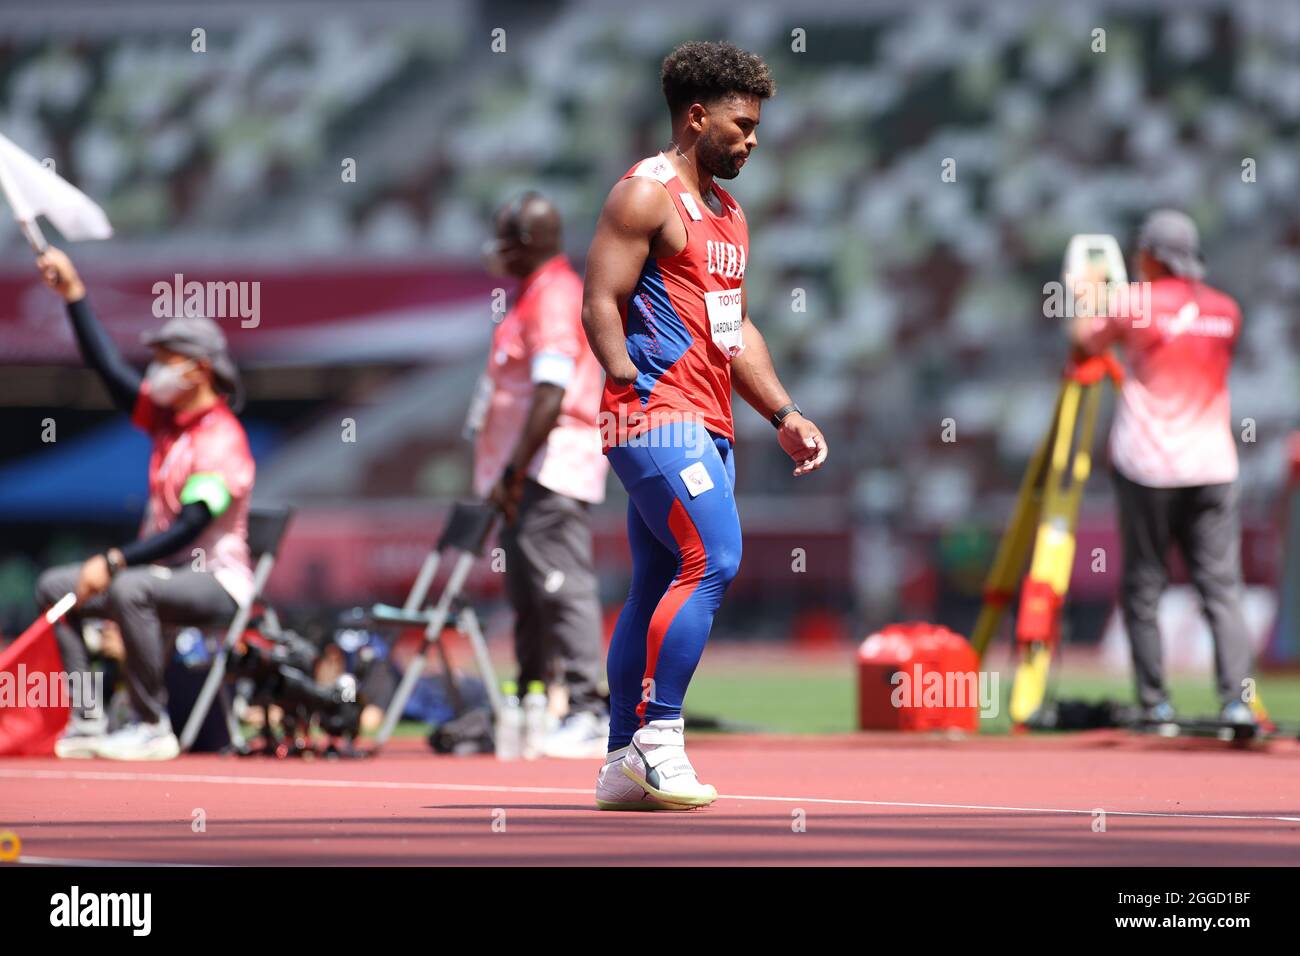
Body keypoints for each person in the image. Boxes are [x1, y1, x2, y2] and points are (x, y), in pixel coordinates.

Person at [581, 41, 827, 810]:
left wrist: (782, 412)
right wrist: (621, 369)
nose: (752, 140)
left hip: (708, 420)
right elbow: (598, 299)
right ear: (696, 116)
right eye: (742, 125)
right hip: (652, 416)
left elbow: (735, 331)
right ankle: (660, 740)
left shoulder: (728, 215)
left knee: (658, 578)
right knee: (716, 557)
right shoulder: (645, 196)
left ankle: (621, 761)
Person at [33, 247, 255, 760]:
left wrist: (113, 560)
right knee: (55, 587)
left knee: (130, 586)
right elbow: (108, 371)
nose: (153, 371)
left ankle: (152, 725)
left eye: (165, 360)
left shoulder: (221, 438)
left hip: (217, 582)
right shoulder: (166, 424)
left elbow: (193, 526)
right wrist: (74, 295)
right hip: (158, 575)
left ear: (199, 371)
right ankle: (87, 718)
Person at [1071, 209, 1255, 725]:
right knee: (1221, 588)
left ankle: (1156, 704)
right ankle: (1237, 704)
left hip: (1148, 465)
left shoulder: (1132, 303)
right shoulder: (1227, 310)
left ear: (1151, 255)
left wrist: (1086, 297)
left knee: (1144, 588)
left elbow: (1085, 342)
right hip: (1214, 465)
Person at [470, 192, 611, 757]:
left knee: (561, 584)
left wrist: (514, 468)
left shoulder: (552, 298)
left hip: (548, 466)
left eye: (505, 239)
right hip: (529, 468)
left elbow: (551, 393)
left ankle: (587, 707)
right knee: (530, 591)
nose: (495, 251)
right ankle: (534, 698)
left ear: (524, 244)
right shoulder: (532, 296)